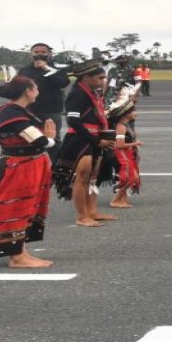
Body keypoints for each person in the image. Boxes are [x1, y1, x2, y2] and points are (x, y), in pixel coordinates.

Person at [0, 76, 57, 267]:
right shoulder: (12, 114)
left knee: (27, 208)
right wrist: (50, 139)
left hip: (28, 164)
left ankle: (21, 252)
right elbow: (40, 141)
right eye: (36, 88)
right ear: (28, 91)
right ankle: (16, 257)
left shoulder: (15, 111)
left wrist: (46, 140)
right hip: (20, 166)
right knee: (17, 208)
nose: (38, 92)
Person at [53, 61, 115, 227]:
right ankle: (82, 216)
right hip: (81, 140)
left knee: (93, 177)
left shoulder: (93, 92)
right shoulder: (78, 93)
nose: (103, 80)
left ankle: (92, 211)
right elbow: (73, 121)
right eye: (100, 77)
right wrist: (96, 141)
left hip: (94, 138)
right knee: (83, 177)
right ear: (86, 77)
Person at [18, 42, 71, 140]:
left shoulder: (57, 69)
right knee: (30, 137)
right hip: (29, 109)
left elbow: (64, 83)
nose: (39, 54)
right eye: (36, 52)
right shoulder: (24, 70)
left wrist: (46, 68)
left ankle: (54, 155)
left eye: (43, 52)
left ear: (49, 54)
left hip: (51, 110)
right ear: (31, 54)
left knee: (53, 138)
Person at [107, 96, 142, 209]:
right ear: (126, 114)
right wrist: (135, 144)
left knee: (133, 177)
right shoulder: (121, 126)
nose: (135, 112)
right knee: (131, 177)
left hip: (128, 153)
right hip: (122, 154)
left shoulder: (126, 125)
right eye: (132, 111)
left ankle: (122, 199)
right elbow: (120, 144)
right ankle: (115, 200)